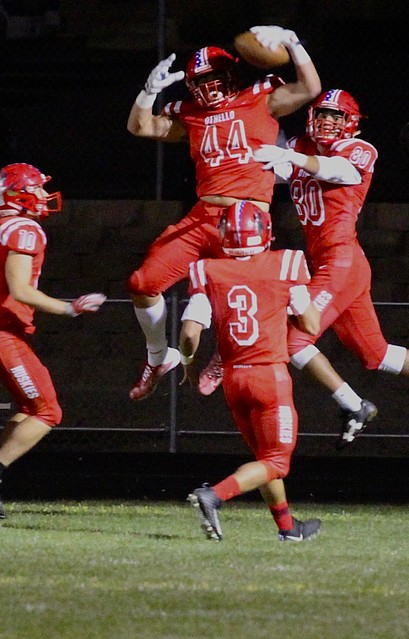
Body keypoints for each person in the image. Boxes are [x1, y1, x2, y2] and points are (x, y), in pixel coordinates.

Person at [250, 89, 409, 442]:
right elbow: (269, 166)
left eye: (335, 116)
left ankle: (352, 403)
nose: (326, 121)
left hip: (340, 262)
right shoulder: (300, 148)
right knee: (376, 354)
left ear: (350, 123)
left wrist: (289, 156)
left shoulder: (359, 149)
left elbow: (340, 171)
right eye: (322, 114)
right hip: (332, 263)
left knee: (292, 339)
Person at [123, 25, 322, 402]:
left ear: (231, 74)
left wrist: (295, 44)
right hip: (203, 218)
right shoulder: (192, 114)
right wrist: (148, 93)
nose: (208, 87)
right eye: (200, 80)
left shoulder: (261, 98)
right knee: (141, 284)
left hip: (249, 223)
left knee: (260, 303)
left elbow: (309, 88)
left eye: (214, 77)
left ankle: (223, 355)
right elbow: (140, 126)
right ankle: (157, 356)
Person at [0, 163, 106, 520]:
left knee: (29, 409)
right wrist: (68, 308)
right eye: (37, 188)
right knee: (49, 411)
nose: (43, 195)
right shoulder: (25, 229)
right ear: (18, 194)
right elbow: (21, 289)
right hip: (3, 336)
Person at [180, 201, 321, 541]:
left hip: (234, 380)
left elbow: (188, 332)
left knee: (264, 460)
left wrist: (187, 363)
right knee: (277, 462)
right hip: (269, 376)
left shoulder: (208, 271)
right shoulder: (285, 264)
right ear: (264, 231)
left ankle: (288, 530)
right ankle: (213, 496)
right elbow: (312, 322)